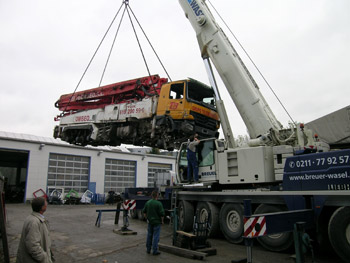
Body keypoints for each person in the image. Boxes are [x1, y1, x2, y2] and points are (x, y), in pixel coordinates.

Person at [16, 197, 54, 263]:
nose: (47, 204)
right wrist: (44, 258)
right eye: (45, 203)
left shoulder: (36, 219)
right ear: (42, 208)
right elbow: (33, 246)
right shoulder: (34, 222)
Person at [142, 190, 165, 255]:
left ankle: (148, 249)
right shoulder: (159, 204)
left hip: (150, 222)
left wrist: (147, 218)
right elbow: (162, 214)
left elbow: (144, 212)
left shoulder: (148, 203)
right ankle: (155, 251)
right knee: (156, 236)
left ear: (152, 195)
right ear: (157, 195)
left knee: (149, 235)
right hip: (157, 222)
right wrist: (162, 221)